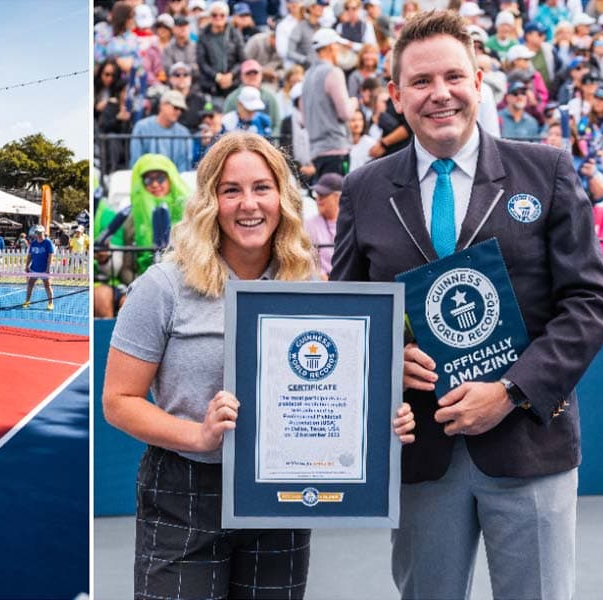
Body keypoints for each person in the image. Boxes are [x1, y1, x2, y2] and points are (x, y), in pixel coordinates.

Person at [331, 12, 603, 599]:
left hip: (529, 446)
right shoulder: (363, 188)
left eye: (454, 76)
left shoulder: (548, 172)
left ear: (479, 80)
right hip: (420, 455)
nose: (440, 94)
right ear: (395, 94)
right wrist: (388, 360)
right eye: (420, 81)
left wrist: (512, 391)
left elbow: (591, 299)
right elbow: (348, 316)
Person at [104, 132, 415, 599]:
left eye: (262, 188)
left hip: (279, 496)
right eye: (231, 190)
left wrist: (382, 419)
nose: (248, 204)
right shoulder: (163, 285)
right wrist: (199, 435)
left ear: (282, 197)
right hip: (186, 490)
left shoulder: (309, 283)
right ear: (211, 200)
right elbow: (118, 400)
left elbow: (340, 387)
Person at [301, 27, 358, 179]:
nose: (339, 49)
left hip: (316, 152)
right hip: (335, 150)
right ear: (332, 47)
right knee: (337, 200)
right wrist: (353, 102)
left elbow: (303, 118)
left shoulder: (307, 76)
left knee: (325, 200)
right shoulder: (333, 72)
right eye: (338, 45)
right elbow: (345, 113)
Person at [129, 153, 190, 275]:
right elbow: (126, 266)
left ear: (171, 178)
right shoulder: (131, 216)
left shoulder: (191, 210)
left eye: (160, 178)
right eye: (148, 180)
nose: (155, 184)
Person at [129, 89, 193, 172]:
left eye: (181, 109)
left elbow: (184, 166)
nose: (178, 112)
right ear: (162, 105)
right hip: (146, 179)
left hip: (175, 180)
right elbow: (136, 161)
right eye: (176, 107)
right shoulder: (142, 127)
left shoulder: (184, 133)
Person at [304, 171, 341, 279]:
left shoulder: (349, 225)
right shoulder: (309, 225)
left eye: (323, 195)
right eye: (317, 194)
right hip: (319, 283)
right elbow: (307, 259)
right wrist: (320, 275)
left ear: (337, 197)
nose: (318, 199)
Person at [22, 225, 55, 310]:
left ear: (44, 233)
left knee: (47, 286)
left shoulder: (48, 242)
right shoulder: (33, 243)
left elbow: (50, 256)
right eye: (37, 233)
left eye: (40, 233)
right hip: (34, 269)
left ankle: (50, 303)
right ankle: (27, 301)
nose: (39, 234)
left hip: (44, 269)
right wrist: (27, 266)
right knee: (30, 285)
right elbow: (30, 256)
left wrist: (48, 268)